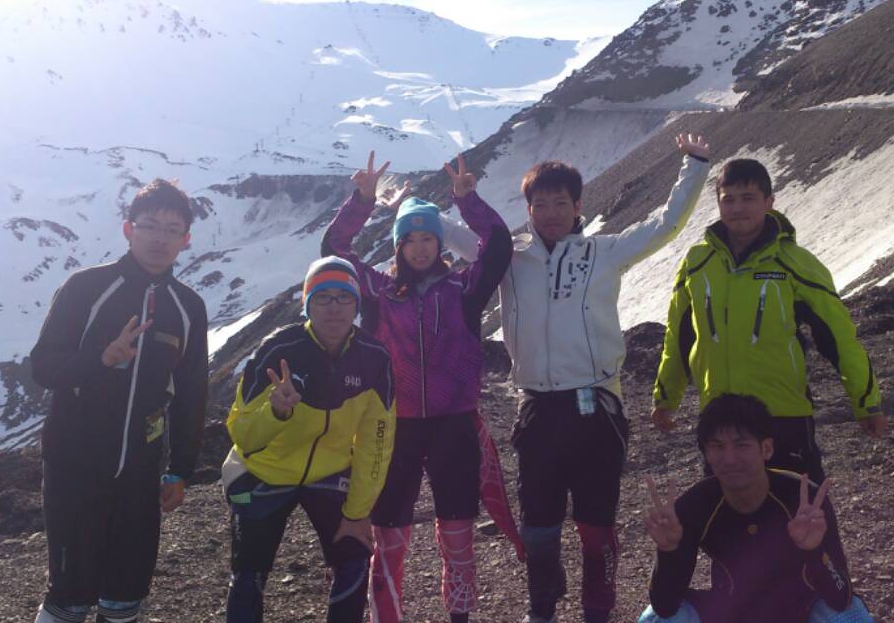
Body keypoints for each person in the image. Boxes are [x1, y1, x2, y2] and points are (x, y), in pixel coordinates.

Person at [448, 133, 711, 623]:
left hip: (597, 409)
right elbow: (455, 238)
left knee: (596, 527)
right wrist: (442, 202)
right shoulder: (508, 257)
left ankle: (597, 612)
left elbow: (666, 224)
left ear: (577, 207)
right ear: (528, 209)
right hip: (537, 408)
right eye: (540, 204)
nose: (550, 213)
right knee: (539, 528)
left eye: (560, 203)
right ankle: (542, 609)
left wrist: (694, 166)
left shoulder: (604, 251)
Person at [320, 151, 516, 623]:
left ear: (439, 242)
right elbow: (334, 248)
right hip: (395, 425)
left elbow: (498, 246)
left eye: (429, 237)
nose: (421, 248)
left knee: (458, 528)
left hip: (454, 423)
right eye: (410, 239)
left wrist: (467, 201)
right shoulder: (379, 291)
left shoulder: (464, 289)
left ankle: (460, 615)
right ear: (398, 245)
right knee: (388, 531)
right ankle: (386, 615)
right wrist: (361, 202)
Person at [29, 179, 209, 623]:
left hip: (141, 475)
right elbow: (43, 366)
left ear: (186, 240)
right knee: (69, 592)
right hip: (74, 465)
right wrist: (100, 359)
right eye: (150, 225)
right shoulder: (86, 288)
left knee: (125, 593)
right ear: (129, 230)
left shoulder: (188, 307)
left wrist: (180, 470)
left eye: (172, 229)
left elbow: (191, 392)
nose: (160, 238)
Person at [650, 158, 885, 482]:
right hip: (719, 417)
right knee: (725, 510)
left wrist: (866, 403)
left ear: (769, 202)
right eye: (728, 199)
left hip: (783, 414)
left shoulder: (795, 263)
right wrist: (666, 398)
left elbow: (838, 337)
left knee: (802, 506)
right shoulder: (696, 263)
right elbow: (678, 336)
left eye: (748, 198)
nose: (737, 208)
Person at [220, 256, 396, 623]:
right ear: (307, 305)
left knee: (354, 559)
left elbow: (376, 444)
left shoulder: (374, 359)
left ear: (356, 305)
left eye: (343, 297)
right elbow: (242, 435)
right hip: (264, 471)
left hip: (329, 471)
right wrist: (275, 412)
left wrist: (357, 513)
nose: (334, 307)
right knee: (248, 573)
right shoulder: (277, 350)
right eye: (323, 297)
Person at [639, 393, 873, 623]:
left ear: (766, 448)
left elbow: (841, 598)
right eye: (717, 447)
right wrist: (669, 552)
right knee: (656, 619)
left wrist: (814, 551)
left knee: (849, 616)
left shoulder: (805, 500)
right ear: (706, 453)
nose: (729, 459)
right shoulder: (695, 506)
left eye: (741, 445)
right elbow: (665, 607)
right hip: (730, 611)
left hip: (799, 610)